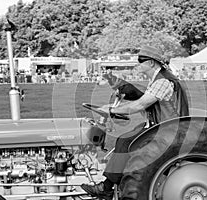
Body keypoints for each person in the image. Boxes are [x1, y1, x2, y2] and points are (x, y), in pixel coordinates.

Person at [81, 45, 189, 200]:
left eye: (141, 60)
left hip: (166, 128)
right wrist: (122, 89)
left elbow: (140, 105)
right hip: (160, 125)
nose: (138, 64)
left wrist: (111, 110)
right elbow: (145, 100)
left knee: (125, 141)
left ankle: (106, 188)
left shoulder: (163, 81)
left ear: (152, 63)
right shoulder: (158, 79)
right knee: (128, 136)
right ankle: (115, 183)